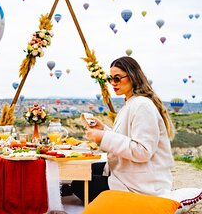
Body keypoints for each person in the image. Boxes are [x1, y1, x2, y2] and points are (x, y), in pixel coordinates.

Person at [71, 56, 175, 203]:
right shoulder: (131, 103)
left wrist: (103, 137)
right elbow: (126, 137)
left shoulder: (142, 105)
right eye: (110, 78)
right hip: (129, 172)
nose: (113, 83)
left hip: (141, 183)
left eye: (118, 78)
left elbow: (143, 151)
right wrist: (104, 129)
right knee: (84, 170)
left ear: (132, 77)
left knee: (78, 184)